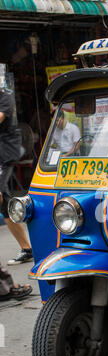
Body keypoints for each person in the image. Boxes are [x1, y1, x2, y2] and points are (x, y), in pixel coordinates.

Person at [0, 89, 33, 265]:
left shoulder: (4, 97)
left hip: (5, 153)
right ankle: (27, 249)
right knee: (4, 204)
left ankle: (28, 248)